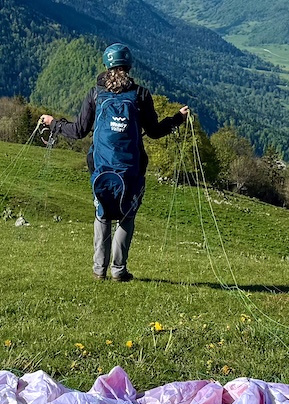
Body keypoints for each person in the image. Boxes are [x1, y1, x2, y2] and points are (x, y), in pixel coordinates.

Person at [41, 43, 189, 281]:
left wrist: (53, 123)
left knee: (102, 213)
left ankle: (99, 270)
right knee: (126, 214)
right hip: (131, 168)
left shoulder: (95, 94)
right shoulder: (140, 95)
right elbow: (153, 131)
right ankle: (119, 270)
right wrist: (177, 119)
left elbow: (78, 130)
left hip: (100, 167)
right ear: (128, 66)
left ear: (106, 66)